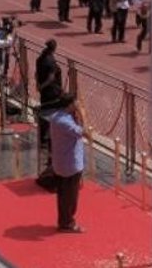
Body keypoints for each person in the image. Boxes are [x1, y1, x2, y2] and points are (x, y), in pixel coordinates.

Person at [48, 93, 90, 233]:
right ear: (70, 105)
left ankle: (64, 220)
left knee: (63, 195)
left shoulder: (56, 117)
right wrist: (83, 115)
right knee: (70, 196)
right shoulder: (64, 122)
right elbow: (85, 132)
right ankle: (67, 223)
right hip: (69, 164)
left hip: (62, 162)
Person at [36, 39, 63, 155]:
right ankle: (50, 138)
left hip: (44, 91)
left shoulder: (40, 59)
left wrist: (38, 85)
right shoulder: (51, 61)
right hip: (52, 91)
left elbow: (36, 73)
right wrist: (42, 86)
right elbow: (51, 78)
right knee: (53, 113)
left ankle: (42, 137)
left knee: (44, 112)